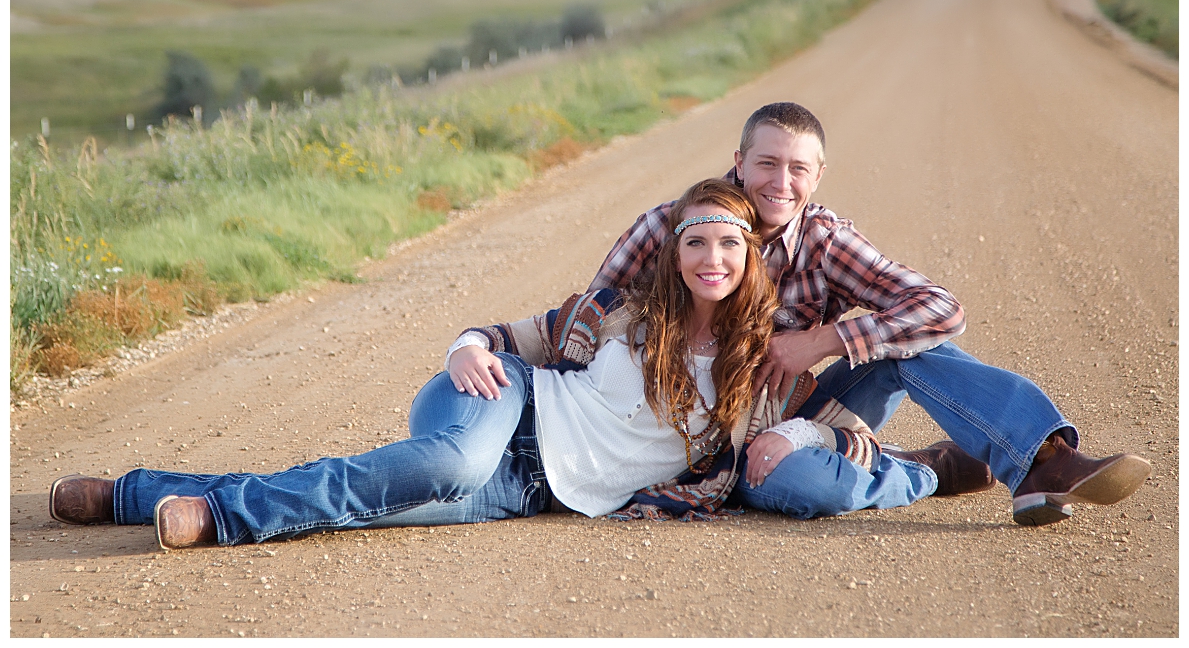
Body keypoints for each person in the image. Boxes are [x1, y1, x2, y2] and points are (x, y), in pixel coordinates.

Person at [47, 182, 973, 548]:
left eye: (728, 249)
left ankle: (135, 494)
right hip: (502, 410)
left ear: (748, 260)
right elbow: (502, 336)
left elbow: (811, 423)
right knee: (440, 463)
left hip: (539, 489)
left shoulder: (763, 366)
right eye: (696, 245)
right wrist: (463, 344)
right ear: (675, 252)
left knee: (374, 502)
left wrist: (840, 434)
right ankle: (218, 517)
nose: (711, 262)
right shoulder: (617, 312)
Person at [591, 102, 1153, 526]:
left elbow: (939, 309)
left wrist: (823, 341)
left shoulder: (825, 239)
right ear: (739, 163)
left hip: (800, 412)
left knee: (915, 342)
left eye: (797, 169)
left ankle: (1042, 459)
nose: (780, 184)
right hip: (698, 436)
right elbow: (589, 325)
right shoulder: (669, 228)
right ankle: (923, 471)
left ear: (819, 175)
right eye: (766, 163)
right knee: (814, 490)